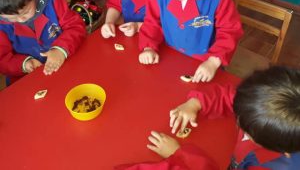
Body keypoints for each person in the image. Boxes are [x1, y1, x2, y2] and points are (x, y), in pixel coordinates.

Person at [117, 67, 300, 169]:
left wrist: (180, 155)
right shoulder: (261, 104)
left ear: (283, 150)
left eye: (243, 125)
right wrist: (195, 104)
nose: (236, 120)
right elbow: (229, 96)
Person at [0, 0, 86, 81]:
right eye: (11, 18)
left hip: (66, 63)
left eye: (25, 12)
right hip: (28, 79)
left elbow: (76, 27)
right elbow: (2, 60)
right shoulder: (2, 25)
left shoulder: (52, 2)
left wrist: (60, 49)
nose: (21, 20)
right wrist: (24, 64)